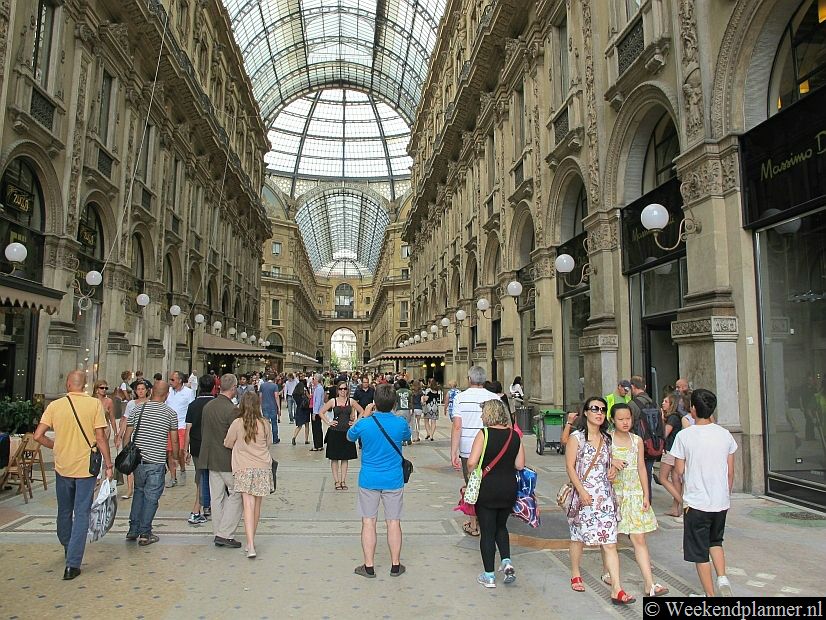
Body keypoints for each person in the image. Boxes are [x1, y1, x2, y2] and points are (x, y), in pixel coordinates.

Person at [33, 370, 114, 580]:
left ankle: (67, 544)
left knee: (64, 509)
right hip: (86, 467)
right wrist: (108, 463)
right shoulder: (94, 404)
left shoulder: (55, 406)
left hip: (62, 466)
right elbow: (101, 437)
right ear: (84, 385)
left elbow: (38, 435)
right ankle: (72, 563)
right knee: (82, 512)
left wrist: (56, 445)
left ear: (68, 384)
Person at [565, 397, 634, 604]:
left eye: (603, 410)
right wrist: (582, 491)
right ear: (585, 412)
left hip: (604, 496)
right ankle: (576, 572)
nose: (599, 413)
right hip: (583, 496)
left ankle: (617, 588)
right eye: (594, 409)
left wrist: (612, 471)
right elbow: (570, 467)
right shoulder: (576, 438)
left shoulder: (607, 438)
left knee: (610, 542)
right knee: (579, 538)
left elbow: (606, 464)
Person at [671, 388, 737, 597]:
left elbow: (679, 471)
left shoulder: (685, 436)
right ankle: (723, 577)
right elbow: (730, 471)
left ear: (692, 409)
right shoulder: (724, 435)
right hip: (721, 501)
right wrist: (725, 493)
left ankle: (710, 596)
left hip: (697, 502)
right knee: (715, 541)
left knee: (700, 553)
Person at [346, 383, 411, 578]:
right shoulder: (400, 423)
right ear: (393, 403)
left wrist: (365, 414)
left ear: (374, 402)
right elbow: (407, 436)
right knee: (393, 522)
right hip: (393, 479)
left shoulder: (365, 423)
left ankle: (369, 566)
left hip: (369, 479)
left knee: (368, 522)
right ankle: (395, 565)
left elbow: (350, 436)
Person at [605, 403, 668, 597]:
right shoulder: (607, 440)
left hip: (634, 494)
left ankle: (649, 584)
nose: (625, 422)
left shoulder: (637, 440)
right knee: (610, 538)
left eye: (628, 418)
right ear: (613, 420)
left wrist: (646, 494)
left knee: (639, 538)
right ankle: (609, 573)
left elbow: (642, 467)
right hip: (613, 494)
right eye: (621, 419)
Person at [467, 399, 525, 588]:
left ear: (489, 414)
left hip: (487, 488)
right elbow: (520, 465)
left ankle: (489, 575)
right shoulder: (514, 435)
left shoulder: (484, 434)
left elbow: (471, 462)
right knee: (502, 526)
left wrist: (472, 472)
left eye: (483, 413)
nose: (482, 416)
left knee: (487, 531)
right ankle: (506, 561)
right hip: (508, 488)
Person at [223, 391, 274, 558]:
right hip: (262, 466)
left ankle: (250, 545)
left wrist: (241, 447)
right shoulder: (265, 423)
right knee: (257, 505)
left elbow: (228, 442)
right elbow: (269, 443)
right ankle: (251, 541)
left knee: (247, 505)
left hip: (243, 467)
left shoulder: (238, 423)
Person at [451, 366, 496, 537]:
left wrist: (453, 452)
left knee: (472, 485)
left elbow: (457, 426)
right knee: (488, 484)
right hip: (490, 447)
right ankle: (489, 521)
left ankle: (474, 524)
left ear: (469, 379)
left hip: (468, 449)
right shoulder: (493, 398)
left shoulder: (460, 398)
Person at [200, 373, 243, 549]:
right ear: (233, 388)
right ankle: (225, 533)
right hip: (226, 458)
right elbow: (235, 437)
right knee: (237, 493)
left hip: (209, 458)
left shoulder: (208, 406)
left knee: (216, 497)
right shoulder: (232, 410)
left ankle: (218, 531)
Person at [318, 382, 365, 489]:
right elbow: (321, 412)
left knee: (345, 458)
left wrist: (355, 422)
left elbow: (362, 411)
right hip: (334, 432)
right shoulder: (332, 401)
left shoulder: (351, 401)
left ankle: (343, 480)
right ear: (337, 390)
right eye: (340, 389)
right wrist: (328, 422)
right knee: (334, 458)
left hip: (347, 432)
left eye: (345, 389)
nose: (343, 391)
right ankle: (336, 481)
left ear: (347, 390)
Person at [184, 375, 217, 525]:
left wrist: (185, 449)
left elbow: (188, 429)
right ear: (213, 387)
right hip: (213, 445)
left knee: (200, 475)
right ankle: (205, 506)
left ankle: (204, 505)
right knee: (212, 476)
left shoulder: (192, 405)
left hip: (196, 446)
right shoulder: (215, 404)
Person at [627, 375, 658, 503]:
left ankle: (640, 500)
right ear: (644, 387)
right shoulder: (653, 402)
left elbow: (628, 424)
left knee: (637, 472)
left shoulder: (632, 404)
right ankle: (647, 499)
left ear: (632, 387)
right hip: (653, 443)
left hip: (638, 442)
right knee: (648, 472)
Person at [659, 392, 691, 518]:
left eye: (666, 401)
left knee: (663, 478)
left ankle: (683, 503)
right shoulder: (677, 417)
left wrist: (661, 420)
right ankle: (675, 508)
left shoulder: (673, 418)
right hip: (675, 451)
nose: (663, 403)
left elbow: (664, 434)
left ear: (672, 404)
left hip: (670, 450)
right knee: (675, 479)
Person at [119, 379, 151, 499]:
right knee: (131, 462)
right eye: (138, 389)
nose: (141, 391)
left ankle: (145, 486)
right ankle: (129, 489)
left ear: (147, 390)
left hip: (147, 436)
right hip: (134, 436)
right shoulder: (131, 404)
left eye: (143, 389)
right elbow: (126, 420)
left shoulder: (151, 403)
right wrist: (120, 435)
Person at [165, 370, 195, 487]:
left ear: (180, 381)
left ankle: (182, 470)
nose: (170, 382)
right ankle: (173, 477)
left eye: (173, 380)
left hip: (182, 425)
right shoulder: (168, 392)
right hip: (169, 426)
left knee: (181, 451)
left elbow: (191, 408)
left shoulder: (188, 392)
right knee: (170, 452)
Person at [259, 374, 280, 442]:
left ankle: (265, 438)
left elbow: (260, 396)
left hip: (265, 406)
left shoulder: (262, 385)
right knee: (274, 423)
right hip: (273, 406)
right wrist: (278, 407)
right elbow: (276, 396)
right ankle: (275, 438)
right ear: (274, 379)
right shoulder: (275, 386)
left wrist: (261, 405)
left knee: (265, 423)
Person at [291, 379, 312, 445]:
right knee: (307, 425)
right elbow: (309, 397)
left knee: (299, 425)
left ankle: (294, 437)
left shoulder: (295, 394)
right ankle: (306, 440)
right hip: (306, 410)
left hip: (299, 409)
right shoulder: (305, 392)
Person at [394, 379, 413, 446]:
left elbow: (395, 402)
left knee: (400, 425)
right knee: (408, 424)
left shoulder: (397, 392)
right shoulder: (409, 392)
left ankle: (402, 440)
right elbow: (411, 402)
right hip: (407, 410)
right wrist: (412, 409)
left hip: (399, 410)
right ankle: (408, 438)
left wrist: (394, 410)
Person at [310, 374, 326, 451]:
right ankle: (319, 444)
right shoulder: (317, 388)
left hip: (317, 411)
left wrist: (314, 412)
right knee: (318, 428)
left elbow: (318, 401)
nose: (313, 380)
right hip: (318, 411)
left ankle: (317, 445)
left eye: (314, 378)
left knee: (316, 428)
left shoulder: (319, 389)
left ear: (317, 380)